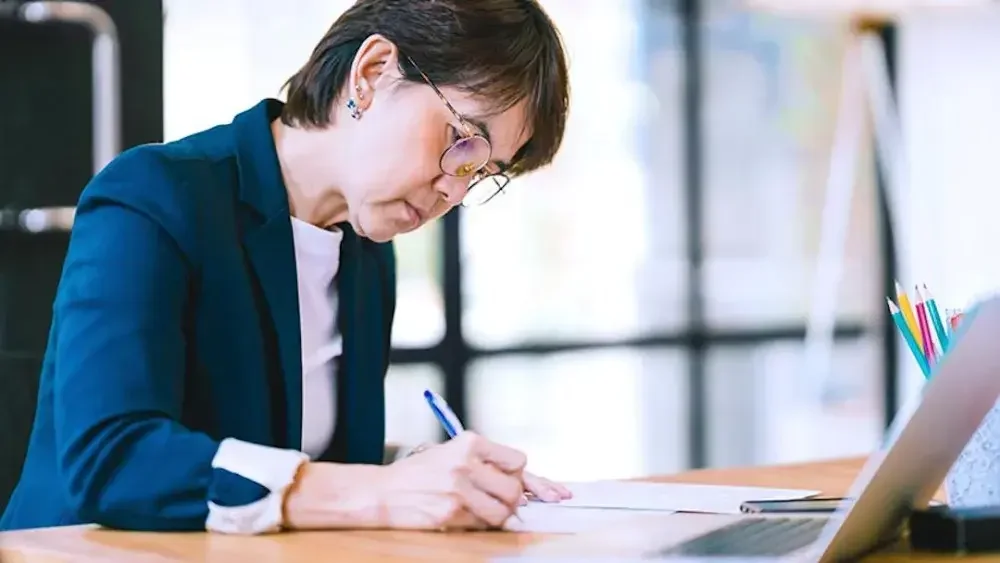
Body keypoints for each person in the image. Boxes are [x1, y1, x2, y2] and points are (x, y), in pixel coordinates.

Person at [0, 0, 571, 535]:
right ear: (372, 73)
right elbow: (113, 457)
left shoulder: (367, 256)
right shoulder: (156, 195)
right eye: (463, 141)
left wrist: (430, 473)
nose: (453, 188)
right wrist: (381, 492)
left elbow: (301, 461)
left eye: (481, 172)